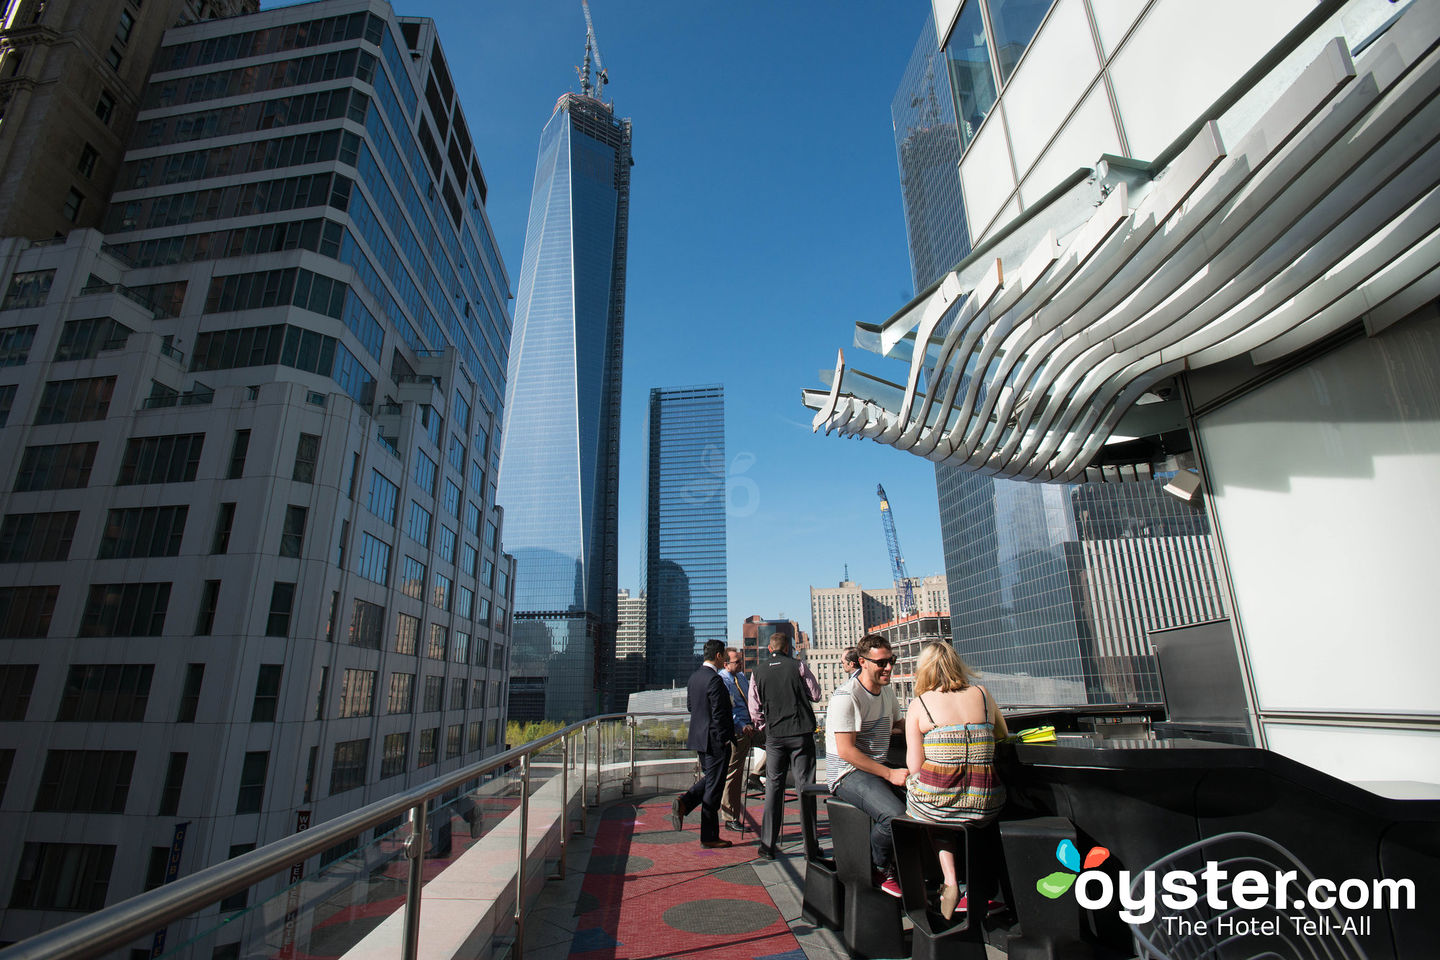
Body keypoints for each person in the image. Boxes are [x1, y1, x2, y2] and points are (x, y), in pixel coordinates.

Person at [904, 641, 1008, 918]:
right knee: (964, 806)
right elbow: (1001, 734)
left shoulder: (920, 704)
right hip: (987, 800)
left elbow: (914, 766)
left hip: (941, 804)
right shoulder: (982, 694)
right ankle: (982, 884)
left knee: (926, 803)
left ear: (923, 670)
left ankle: (950, 881)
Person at [825, 633, 907, 896]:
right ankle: (879, 866)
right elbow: (846, 751)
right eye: (881, 662)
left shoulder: (886, 693)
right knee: (896, 815)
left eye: (891, 660)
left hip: (875, 768)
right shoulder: (846, 697)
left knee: (926, 804)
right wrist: (890, 774)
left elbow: (898, 725)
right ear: (862, 662)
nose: (888, 667)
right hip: (847, 773)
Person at [747, 630, 821, 860]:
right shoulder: (798, 666)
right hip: (801, 733)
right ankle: (811, 847)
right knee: (805, 788)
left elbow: (754, 708)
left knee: (773, 787)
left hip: (775, 736)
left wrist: (763, 728)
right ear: (788, 648)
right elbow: (816, 695)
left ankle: (767, 845)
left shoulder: (757, 672)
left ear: (769, 649)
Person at [670, 639, 735, 848]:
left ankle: (685, 802)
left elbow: (691, 707)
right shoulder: (714, 680)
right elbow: (720, 714)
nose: (724, 658)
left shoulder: (694, 678)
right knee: (714, 788)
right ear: (718, 656)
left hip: (699, 739)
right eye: (723, 655)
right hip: (715, 742)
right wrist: (724, 739)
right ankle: (709, 837)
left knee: (711, 780)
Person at [719, 647, 758, 832]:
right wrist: (741, 725)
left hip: (752, 726)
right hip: (738, 731)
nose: (741, 664)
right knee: (733, 774)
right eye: (737, 662)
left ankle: (756, 775)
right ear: (726, 664)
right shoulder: (722, 680)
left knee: (777, 743)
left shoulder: (741, 677)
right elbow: (726, 709)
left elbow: (751, 698)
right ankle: (730, 816)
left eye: (741, 661)